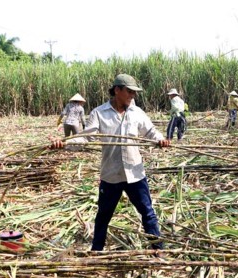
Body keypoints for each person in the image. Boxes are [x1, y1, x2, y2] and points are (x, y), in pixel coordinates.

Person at [50, 74, 170, 252]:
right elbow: (87, 137)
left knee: (148, 213)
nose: (132, 95)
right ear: (117, 90)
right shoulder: (99, 113)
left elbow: (151, 132)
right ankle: (96, 250)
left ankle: (157, 250)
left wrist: (161, 140)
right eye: (129, 91)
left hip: (135, 173)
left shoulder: (137, 113)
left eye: (134, 92)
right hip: (111, 175)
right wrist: (64, 143)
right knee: (103, 216)